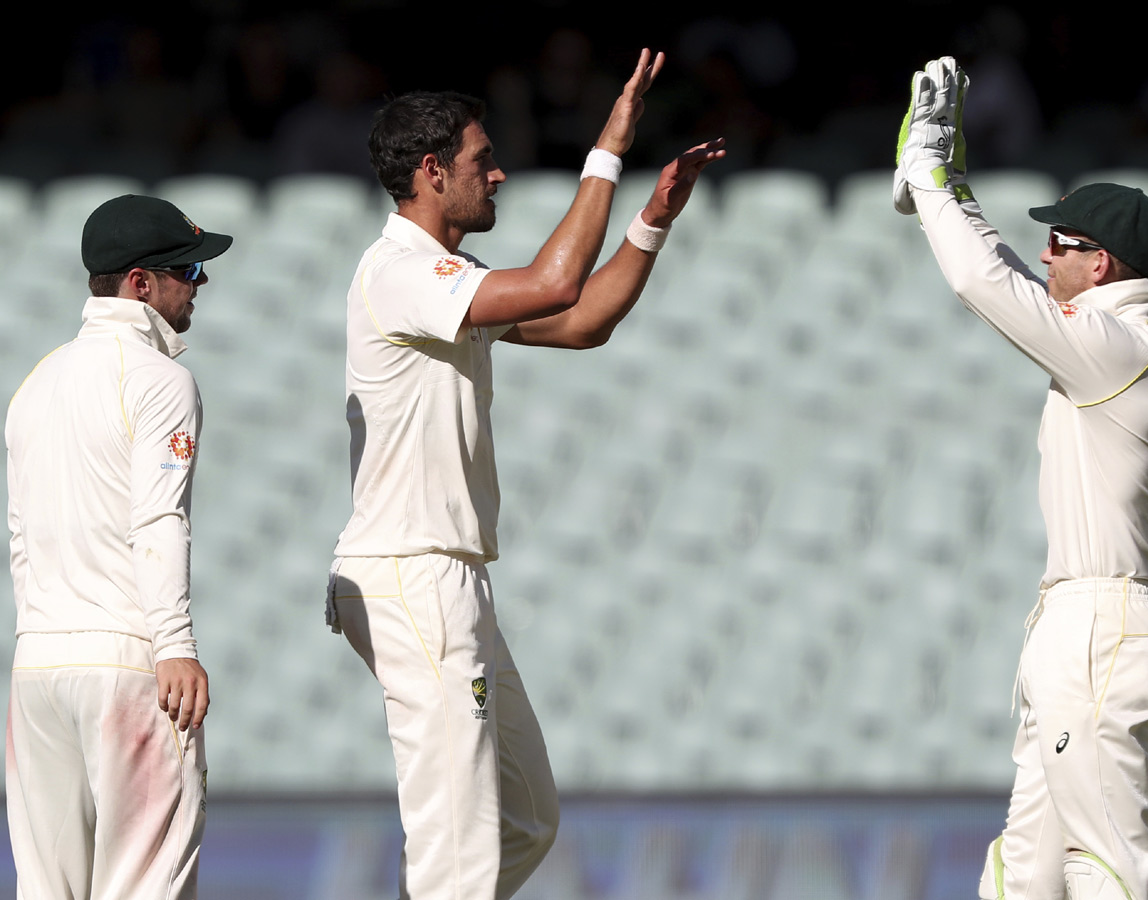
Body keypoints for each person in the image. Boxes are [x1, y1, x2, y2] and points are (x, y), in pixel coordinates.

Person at [325, 49, 724, 900]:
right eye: (481, 160)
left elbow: (580, 321)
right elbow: (556, 279)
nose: (497, 171)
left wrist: (652, 218)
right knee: (459, 855)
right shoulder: (399, 274)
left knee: (523, 821)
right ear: (431, 173)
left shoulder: (450, 283)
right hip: (414, 573)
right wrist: (609, 150)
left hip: (444, 574)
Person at [894, 58, 1148, 900]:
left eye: (1063, 242)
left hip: (1101, 625)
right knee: (1026, 874)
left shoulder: (1121, 350)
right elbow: (1012, 281)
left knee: (1111, 869)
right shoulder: (1112, 342)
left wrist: (932, 179)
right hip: (1078, 626)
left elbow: (985, 281)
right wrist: (945, 190)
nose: (1047, 251)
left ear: (1102, 264)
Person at [5, 194, 232, 900]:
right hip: (124, 665)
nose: (200, 284)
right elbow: (159, 518)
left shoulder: (33, 384)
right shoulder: (162, 380)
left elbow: (19, 538)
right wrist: (174, 643)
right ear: (140, 283)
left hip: (36, 669)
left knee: (48, 891)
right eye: (188, 269)